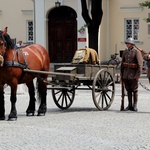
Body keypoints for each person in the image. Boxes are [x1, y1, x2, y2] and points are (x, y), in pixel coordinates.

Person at [120, 37, 143, 111]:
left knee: (135, 90)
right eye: (127, 43)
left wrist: (138, 75)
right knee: (128, 90)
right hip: (126, 74)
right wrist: (121, 73)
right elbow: (122, 63)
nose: (127, 45)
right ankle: (129, 105)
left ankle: (135, 105)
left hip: (133, 74)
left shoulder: (137, 52)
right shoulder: (125, 52)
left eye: (128, 43)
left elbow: (140, 64)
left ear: (132, 44)